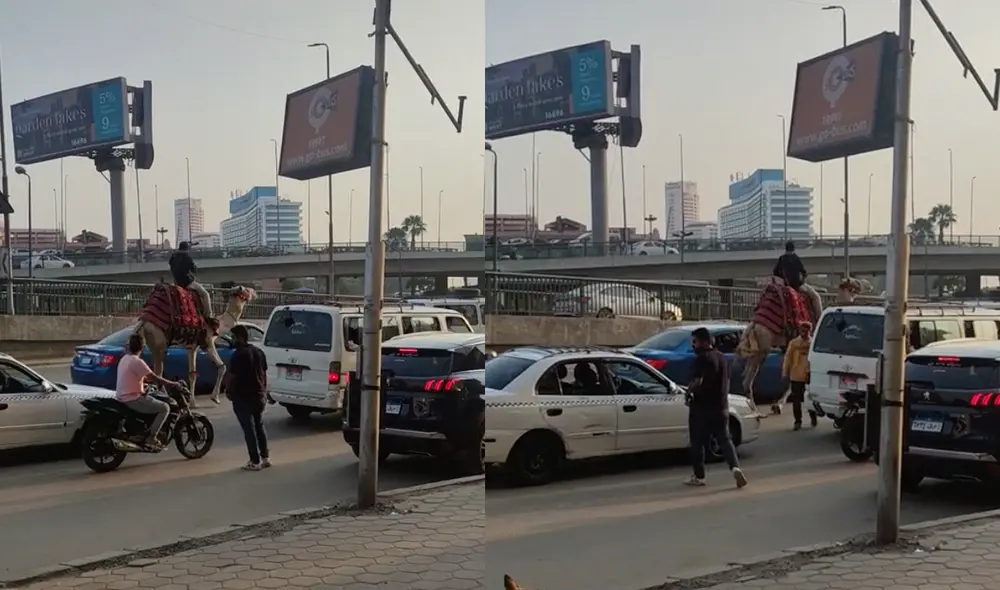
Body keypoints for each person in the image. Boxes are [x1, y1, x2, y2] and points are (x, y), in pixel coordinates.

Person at [685, 327, 747, 488]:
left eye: (695, 341)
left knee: (697, 442)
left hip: (702, 408)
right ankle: (735, 468)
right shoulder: (722, 358)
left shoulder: (702, 358)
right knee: (725, 440)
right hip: (721, 406)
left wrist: (689, 392)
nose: (693, 345)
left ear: (704, 341)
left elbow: (698, 381)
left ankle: (699, 476)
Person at [116, 333, 182, 449]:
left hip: (122, 396)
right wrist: (172, 383)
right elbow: (155, 378)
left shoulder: (125, 359)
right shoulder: (137, 361)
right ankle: (152, 437)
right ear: (142, 347)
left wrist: (144, 383)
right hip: (132, 398)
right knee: (165, 408)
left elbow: (137, 376)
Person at [225, 324, 271, 471]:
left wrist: (228, 391)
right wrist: (264, 390)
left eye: (233, 337)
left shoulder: (238, 355)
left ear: (239, 337)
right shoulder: (259, 352)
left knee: (249, 429)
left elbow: (232, 376)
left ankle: (254, 461)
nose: (232, 340)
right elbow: (264, 374)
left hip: (243, 396)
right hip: (259, 395)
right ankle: (265, 458)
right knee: (259, 426)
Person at [772, 241, 822, 323]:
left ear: (785, 249)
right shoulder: (796, 258)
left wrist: (783, 278)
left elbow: (775, 272)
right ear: (794, 249)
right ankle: (820, 319)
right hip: (798, 286)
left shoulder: (782, 259)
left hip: (786, 286)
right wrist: (802, 280)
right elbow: (804, 272)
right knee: (816, 296)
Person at [782, 321, 818, 430]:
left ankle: (813, 417)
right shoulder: (794, 343)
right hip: (796, 375)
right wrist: (785, 372)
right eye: (802, 330)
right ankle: (797, 421)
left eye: (806, 331)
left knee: (810, 399)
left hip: (809, 376)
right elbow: (787, 358)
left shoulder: (813, 344)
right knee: (796, 400)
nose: (804, 333)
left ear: (810, 331)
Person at [168, 241, 213, 322]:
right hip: (187, 283)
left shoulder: (173, 256)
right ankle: (209, 316)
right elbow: (194, 270)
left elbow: (171, 264)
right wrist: (194, 264)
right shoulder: (187, 258)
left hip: (176, 283)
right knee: (205, 294)